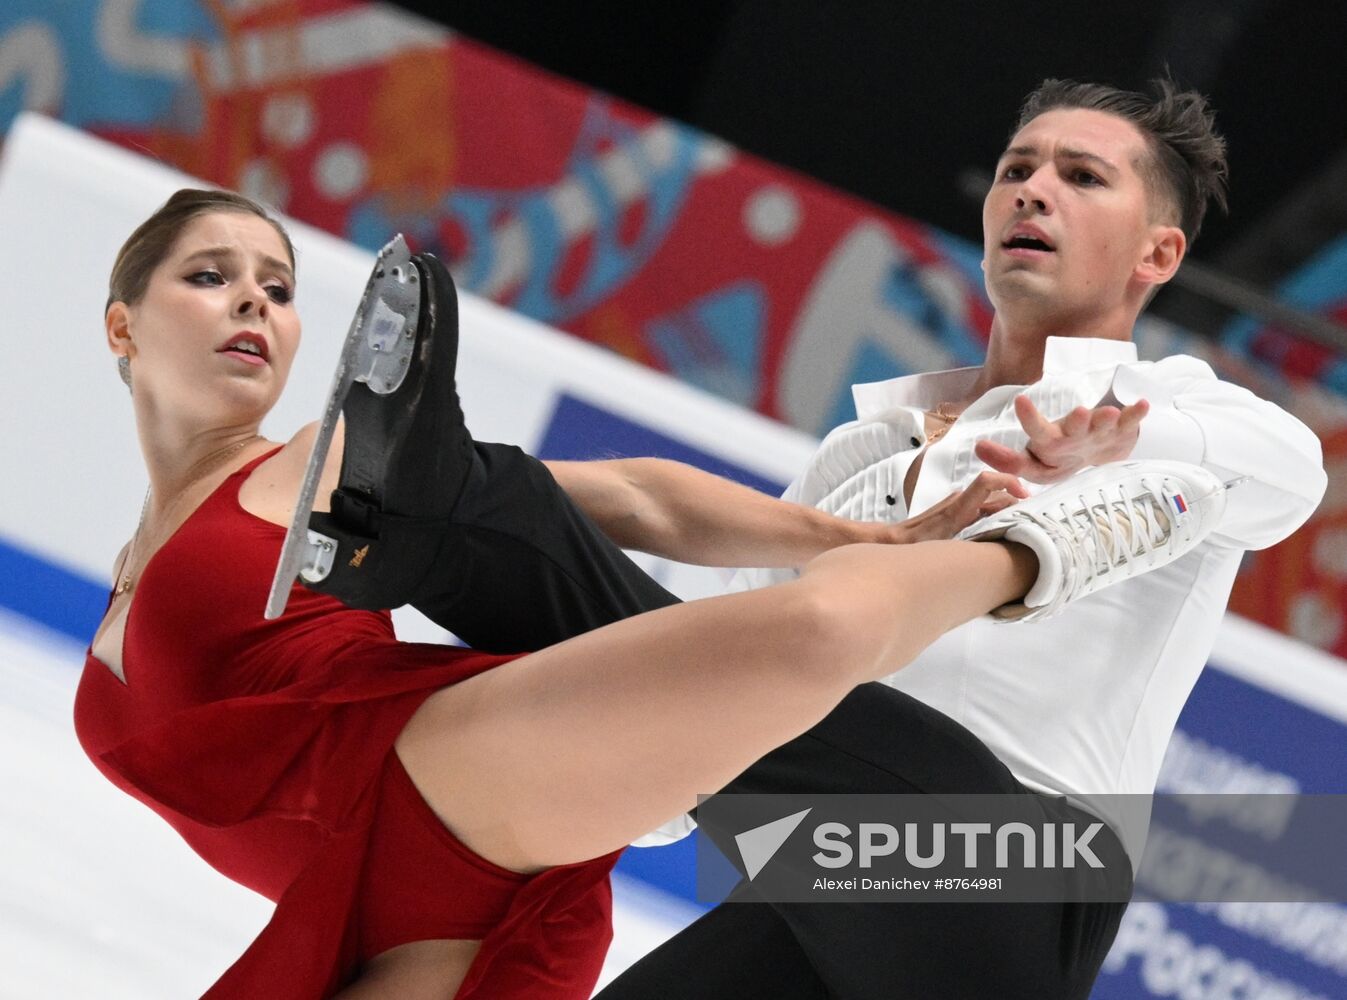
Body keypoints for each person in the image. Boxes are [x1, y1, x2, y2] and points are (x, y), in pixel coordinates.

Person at [77, 187, 1217, 1000]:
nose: (253, 305)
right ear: (123, 324)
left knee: (805, 632)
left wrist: (850, 536)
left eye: (276, 287)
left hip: (426, 775)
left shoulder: (307, 466)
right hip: (375, 915)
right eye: (210, 276)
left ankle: (448, 502)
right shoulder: (139, 554)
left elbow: (637, 498)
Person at [587, 78, 1327, 999]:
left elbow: (1296, 475)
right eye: (1017, 168)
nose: (1032, 188)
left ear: (1158, 252)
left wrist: (1129, 431)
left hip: (1020, 862)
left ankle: (479, 514)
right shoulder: (862, 449)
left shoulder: (1185, 419)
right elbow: (724, 655)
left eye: (1082, 176)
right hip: (835, 863)